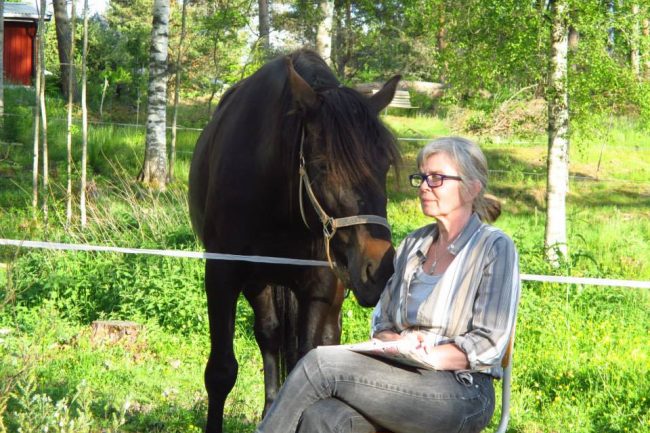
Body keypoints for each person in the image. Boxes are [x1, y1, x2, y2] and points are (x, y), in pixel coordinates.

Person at [255, 136, 520, 433]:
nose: (422, 186)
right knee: (322, 416)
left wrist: (426, 352)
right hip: (401, 376)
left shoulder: (494, 248)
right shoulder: (413, 243)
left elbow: (489, 344)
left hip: (462, 391)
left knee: (320, 364)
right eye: (421, 177)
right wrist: (399, 344)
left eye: (436, 178)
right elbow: (382, 319)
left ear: (472, 187)